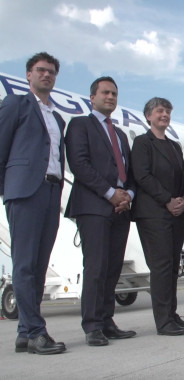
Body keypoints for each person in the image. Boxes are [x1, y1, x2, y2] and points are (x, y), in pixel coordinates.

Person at [0, 52, 66, 355]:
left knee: (39, 266)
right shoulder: (16, 104)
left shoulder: (57, 116)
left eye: (51, 71)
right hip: (25, 192)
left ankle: (25, 334)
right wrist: (8, 191)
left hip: (52, 192)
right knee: (25, 264)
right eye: (41, 70)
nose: (47, 75)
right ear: (29, 75)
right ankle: (38, 332)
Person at [65, 76, 137, 346]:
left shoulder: (119, 134)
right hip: (94, 206)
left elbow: (129, 172)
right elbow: (79, 164)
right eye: (105, 92)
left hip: (120, 208)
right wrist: (110, 193)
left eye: (115, 94)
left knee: (113, 268)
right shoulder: (80, 125)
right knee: (96, 267)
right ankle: (92, 325)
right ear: (92, 97)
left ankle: (107, 321)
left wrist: (127, 194)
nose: (111, 97)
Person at [131, 97, 184, 335]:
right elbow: (143, 176)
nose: (164, 115)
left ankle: (172, 315)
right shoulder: (142, 143)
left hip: (175, 213)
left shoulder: (174, 145)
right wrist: (167, 199)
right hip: (153, 214)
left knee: (171, 268)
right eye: (160, 111)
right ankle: (163, 321)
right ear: (149, 116)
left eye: (168, 111)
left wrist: (183, 199)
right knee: (160, 267)